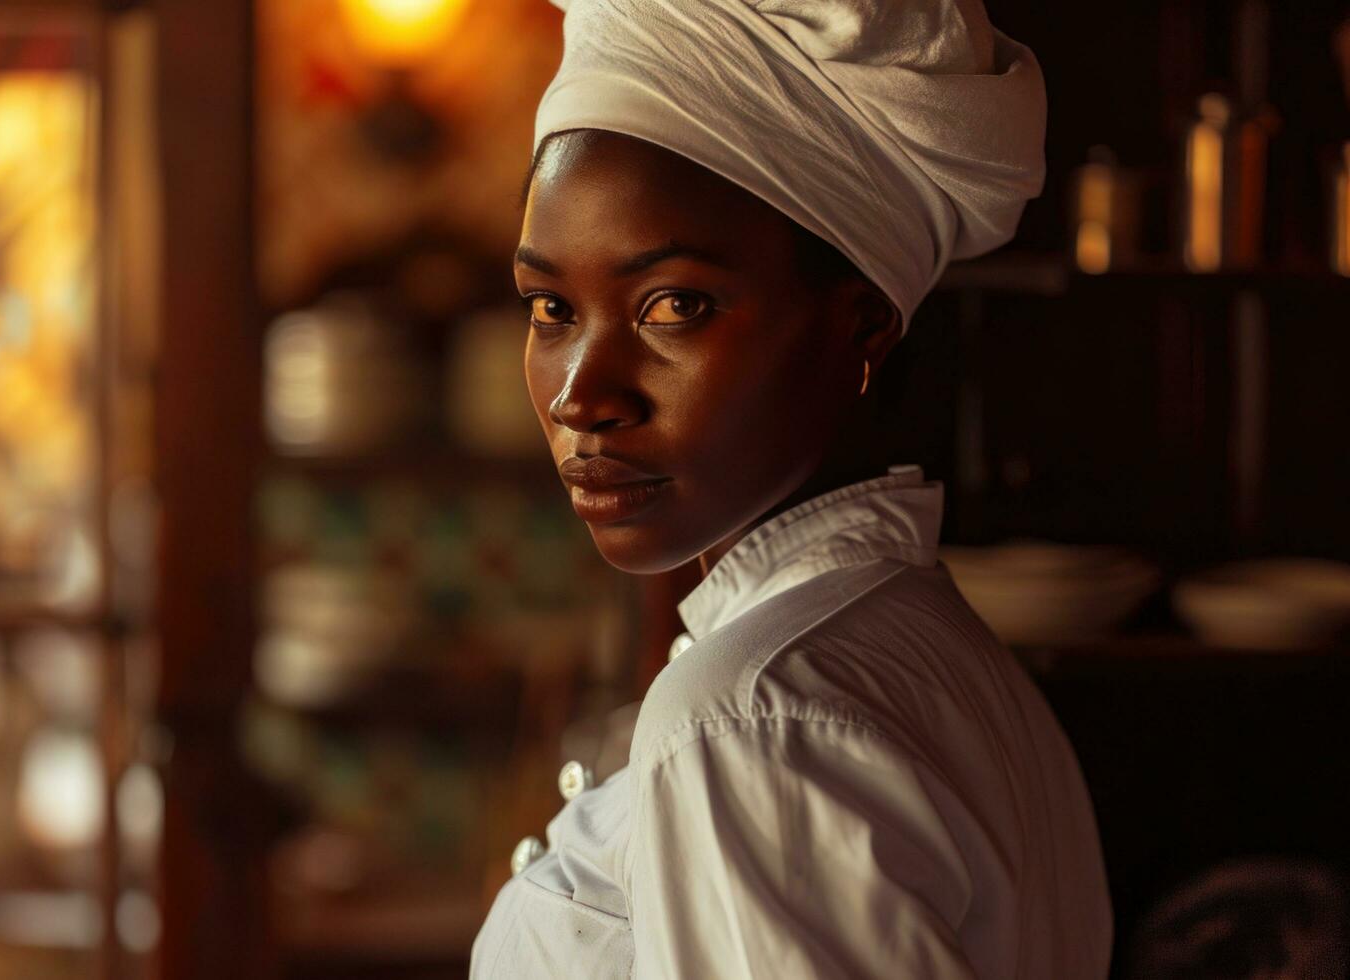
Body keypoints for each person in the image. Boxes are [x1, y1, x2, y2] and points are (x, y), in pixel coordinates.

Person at [471, 0, 1112, 976]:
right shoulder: (927, 652)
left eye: (672, 306)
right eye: (552, 307)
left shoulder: (750, 719)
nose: (580, 394)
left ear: (861, 322)